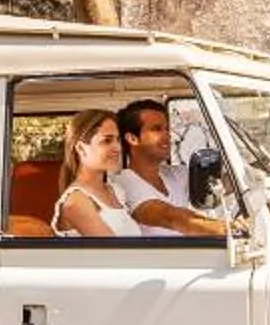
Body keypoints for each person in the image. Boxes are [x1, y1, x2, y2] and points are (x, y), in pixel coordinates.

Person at [112, 99, 228, 238]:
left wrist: (252, 173)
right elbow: (172, 218)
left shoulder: (175, 174)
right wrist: (228, 229)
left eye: (167, 129)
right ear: (132, 138)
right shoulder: (124, 183)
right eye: (156, 129)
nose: (167, 135)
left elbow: (222, 184)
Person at [50, 109, 143, 238]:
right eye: (107, 141)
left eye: (117, 140)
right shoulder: (76, 202)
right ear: (81, 148)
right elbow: (116, 252)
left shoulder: (115, 191)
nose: (118, 148)